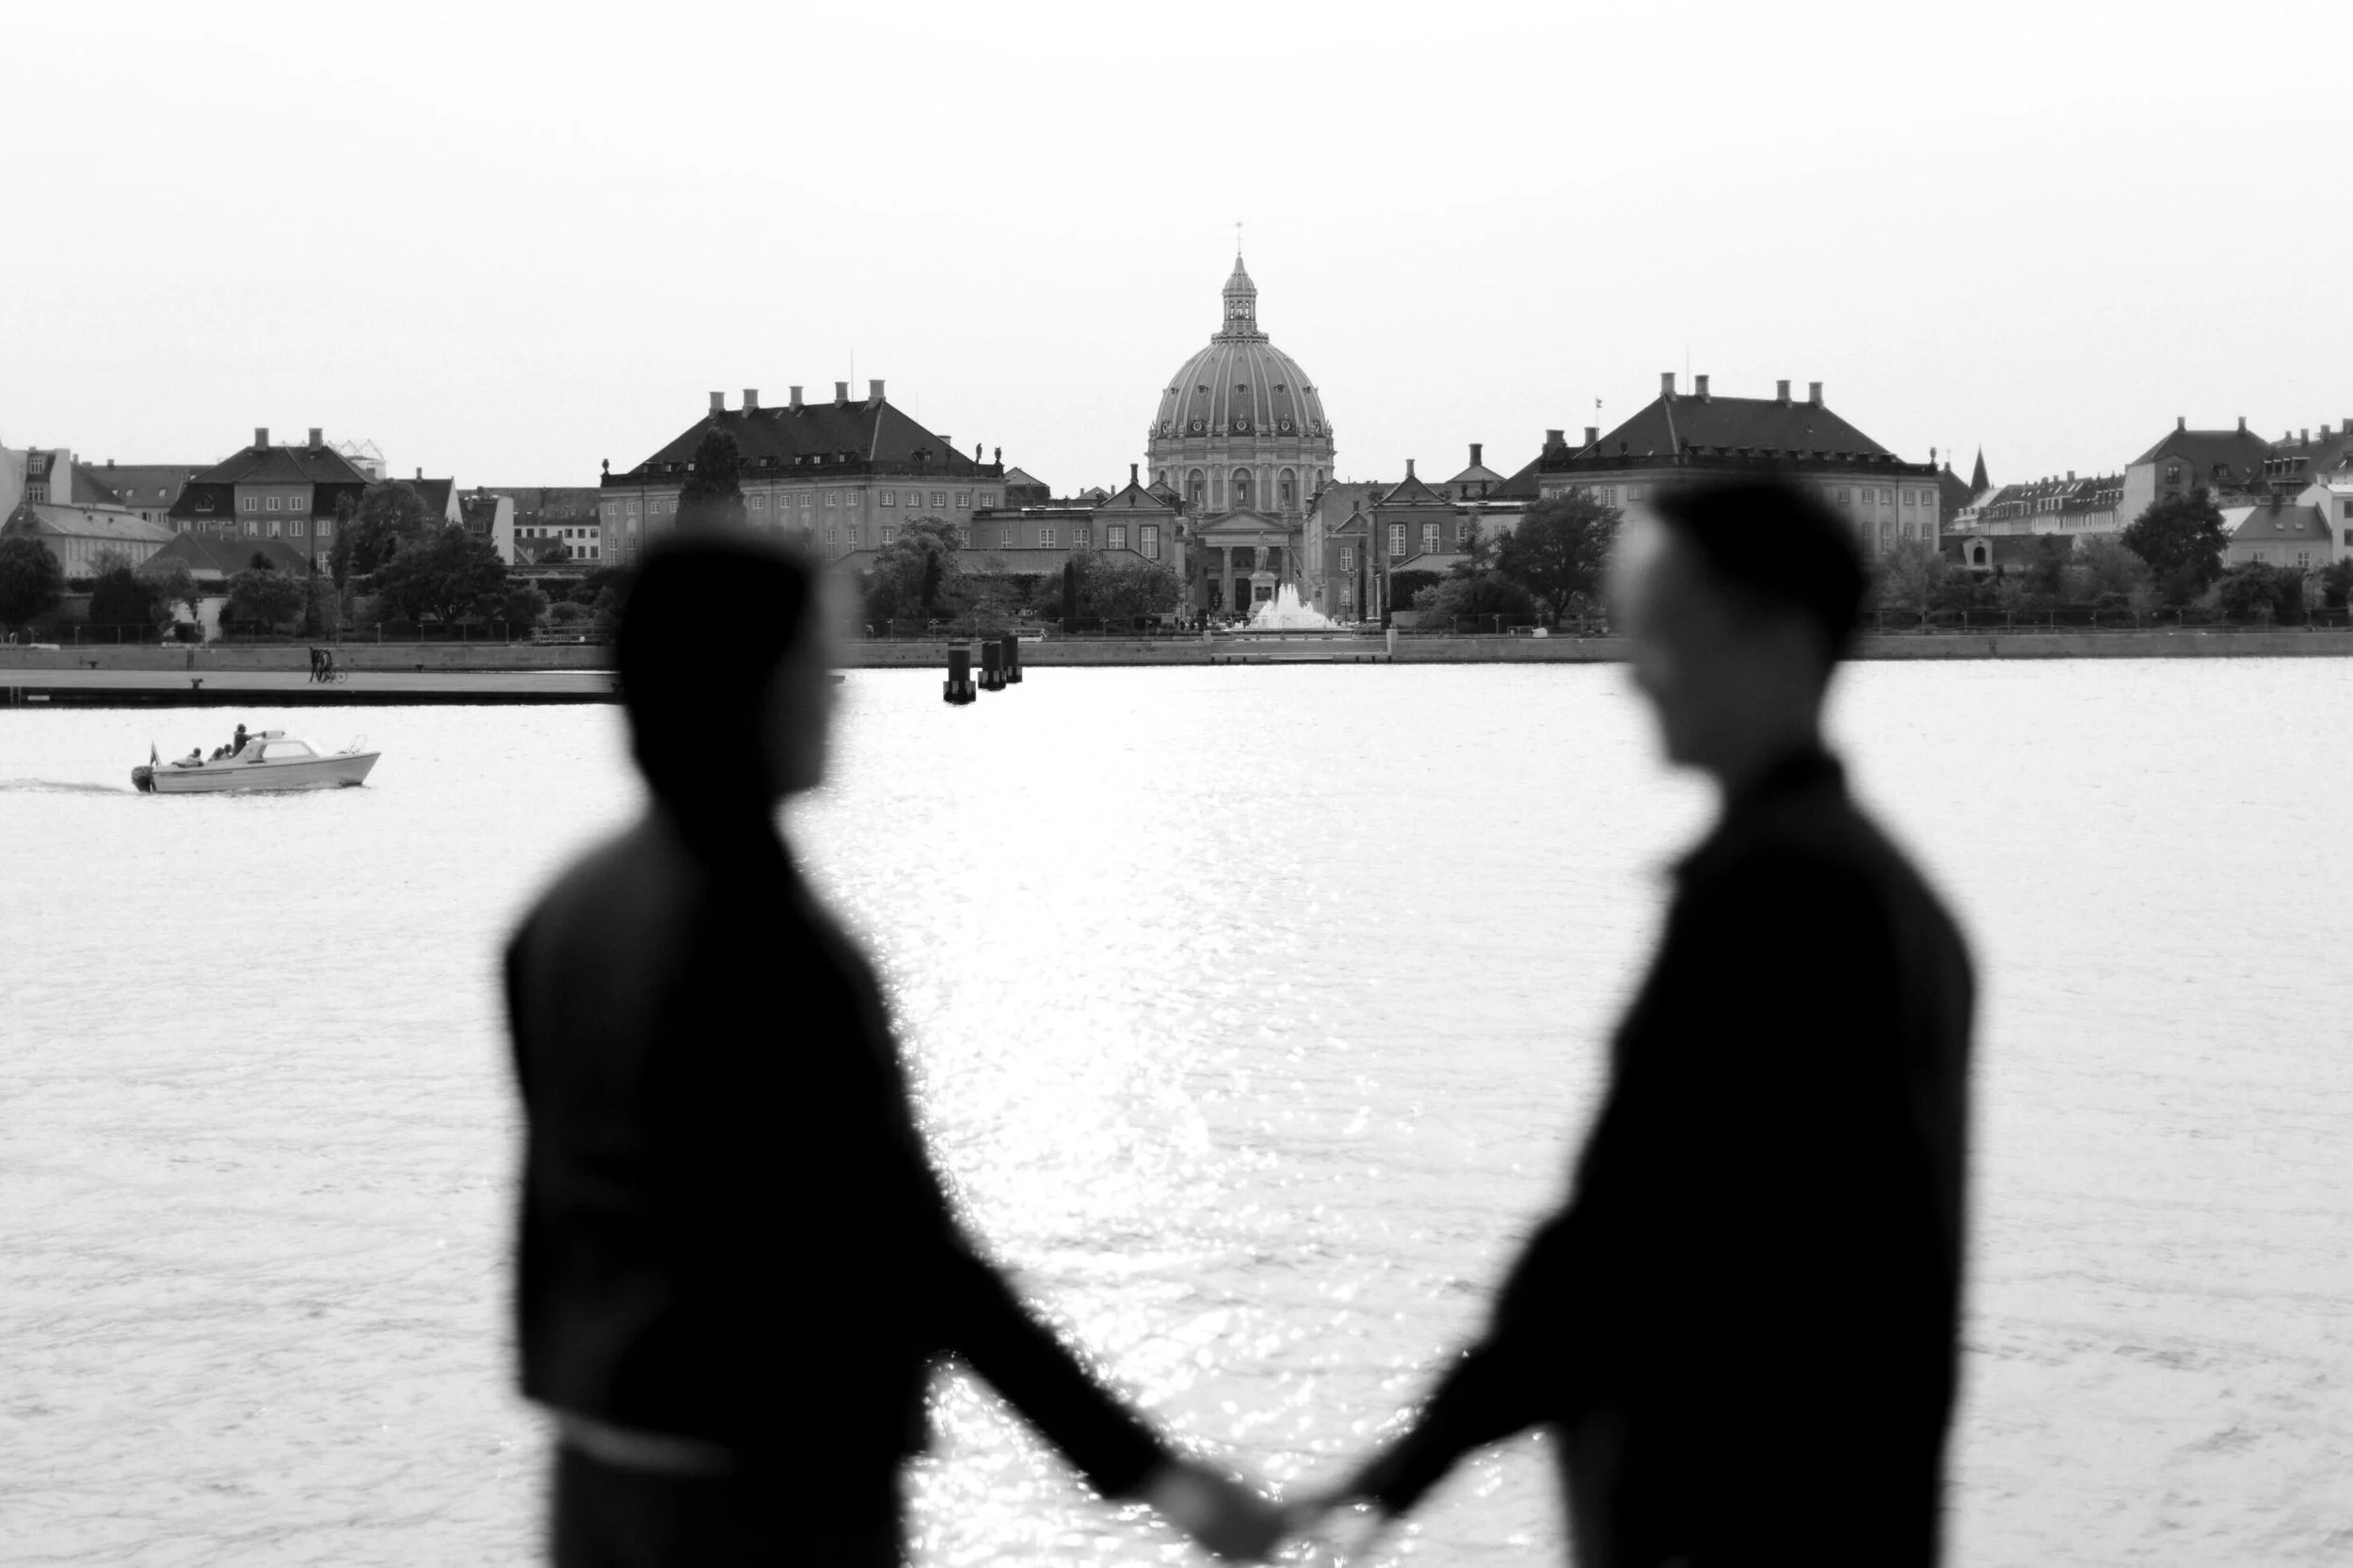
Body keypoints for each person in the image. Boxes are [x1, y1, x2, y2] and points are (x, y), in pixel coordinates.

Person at [504, 535, 1283, 1568]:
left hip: (598, 1467)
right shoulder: (778, 949)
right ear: (753, 688)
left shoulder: (563, 914)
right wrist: (1148, 1471)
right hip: (769, 1483)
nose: (840, 696)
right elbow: (913, 1251)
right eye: (816, 664)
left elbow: (548, 1230)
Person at [1300, 478, 1976, 1566]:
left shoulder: (1770, 896)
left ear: (1774, 638)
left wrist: (1401, 1468)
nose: (1630, 674)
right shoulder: (1900, 901)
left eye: (1661, 632)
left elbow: (1619, 1234)